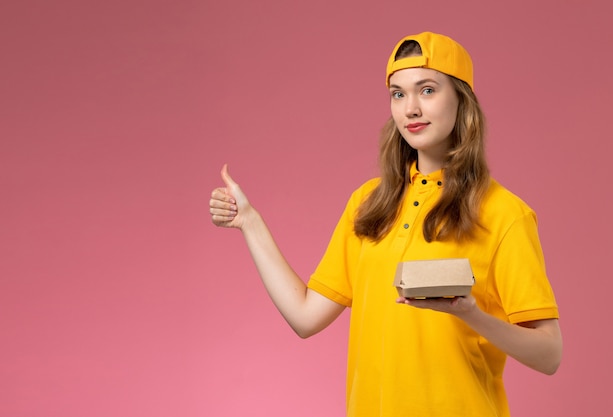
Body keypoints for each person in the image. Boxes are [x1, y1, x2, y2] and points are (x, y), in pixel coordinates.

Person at [209, 31, 562, 417]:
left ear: (462, 99)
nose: (410, 108)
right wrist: (251, 223)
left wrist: (470, 314)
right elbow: (305, 317)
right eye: (398, 93)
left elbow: (549, 354)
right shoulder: (368, 204)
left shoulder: (504, 213)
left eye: (427, 90)